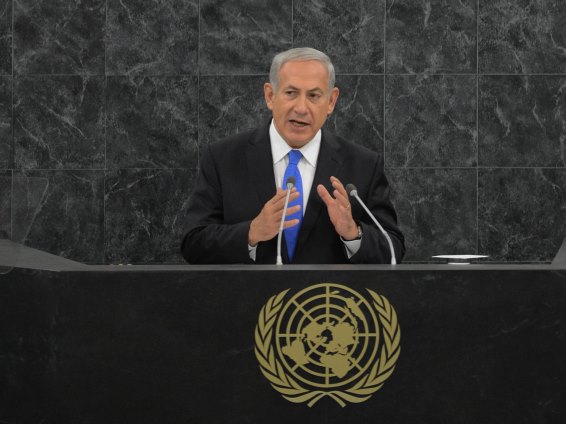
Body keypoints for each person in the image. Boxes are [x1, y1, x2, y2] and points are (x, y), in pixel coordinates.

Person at [181, 47, 405, 264]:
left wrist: (353, 233)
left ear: (331, 102)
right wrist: (251, 233)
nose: (301, 107)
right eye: (291, 93)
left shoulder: (363, 165)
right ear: (270, 96)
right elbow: (193, 244)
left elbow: (393, 249)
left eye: (314, 95)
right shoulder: (223, 159)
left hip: (327, 301)